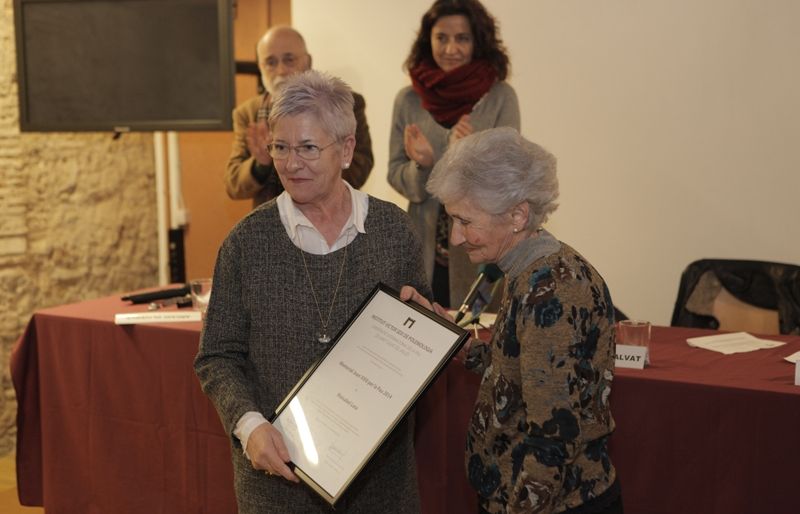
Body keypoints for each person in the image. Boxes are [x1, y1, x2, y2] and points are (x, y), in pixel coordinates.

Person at [195, 70, 429, 513]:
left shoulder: (394, 231)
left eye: (307, 148)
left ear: (346, 149)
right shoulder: (246, 242)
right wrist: (249, 426)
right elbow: (216, 355)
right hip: (277, 484)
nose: (290, 162)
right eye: (279, 147)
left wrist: (428, 331)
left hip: (380, 485)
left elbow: (413, 342)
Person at [401, 127, 623, 514]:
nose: (455, 237)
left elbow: (553, 438)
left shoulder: (550, 290)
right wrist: (449, 334)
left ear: (518, 214)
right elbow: (516, 374)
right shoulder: (528, 272)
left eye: (465, 221)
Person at [388, 0, 520, 309]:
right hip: (423, 252)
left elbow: (511, 180)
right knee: (423, 338)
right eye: (441, 38)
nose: (451, 48)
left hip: (483, 253)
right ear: (428, 40)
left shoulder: (501, 97)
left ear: (478, 41)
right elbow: (396, 174)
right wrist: (423, 167)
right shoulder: (408, 100)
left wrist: (471, 155)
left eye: (462, 38)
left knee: (480, 341)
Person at [225, 26, 374, 208]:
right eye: (270, 62)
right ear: (260, 68)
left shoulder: (345, 103)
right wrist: (260, 164)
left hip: (331, 216)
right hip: (269, 226)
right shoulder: (248, 113)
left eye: (289, 60)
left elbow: (361, 164)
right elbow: (233, 185)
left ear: (308, 61)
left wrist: (312, 168)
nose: (280, 70)